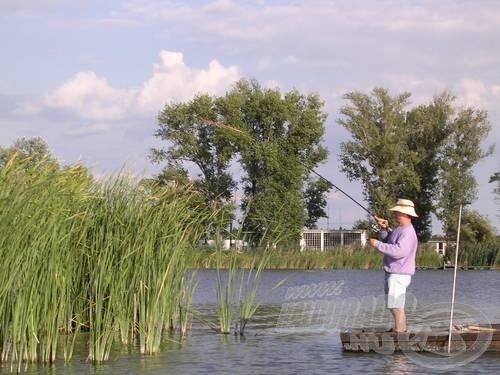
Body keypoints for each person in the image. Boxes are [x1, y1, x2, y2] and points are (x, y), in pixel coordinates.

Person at [368, 198, 418, 333]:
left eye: (398, 212)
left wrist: (377, 244)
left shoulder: (407, 232)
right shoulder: (400, 229)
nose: (395, 214)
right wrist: (384, 229)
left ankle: (400, 331)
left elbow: (398, 251)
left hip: (399, 274)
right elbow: (390, 241)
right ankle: (400, 329)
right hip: (394, 273)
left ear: (406, 214)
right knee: (394, 306)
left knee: (396, 306)